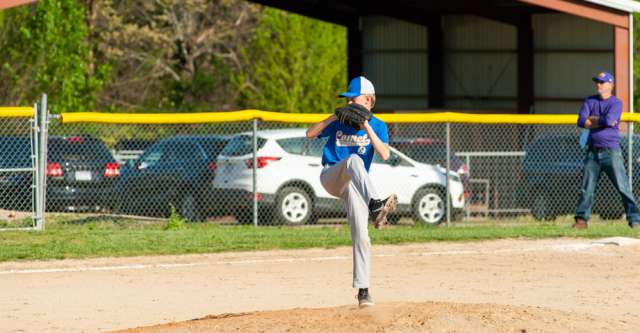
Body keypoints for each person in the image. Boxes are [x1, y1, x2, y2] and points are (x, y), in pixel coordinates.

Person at [306, 76, 398, 307]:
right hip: (332, 176)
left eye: (352, 99)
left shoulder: (378, 125)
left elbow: (385, 154)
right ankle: (376, 205)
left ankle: (363, 291)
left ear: (368, 100)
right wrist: (332, 118)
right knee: (354, 160)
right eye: (346, 100)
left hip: (355, 185)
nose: (348, 104)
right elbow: (309, 134)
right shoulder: (339, 120)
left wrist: (366, 125)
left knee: (362, 236)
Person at [574, 71, 640, 229]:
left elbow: (610, 121)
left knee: (623, 187)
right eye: (597, 81)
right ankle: (581, 220)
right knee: (587, 188)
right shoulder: (590, 101)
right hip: (592, 152)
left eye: (602, 82)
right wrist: (599, 121)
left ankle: (635, 219)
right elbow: (581, 121)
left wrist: (593, 120)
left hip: (611, 152)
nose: (599, 84)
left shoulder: (616, 103)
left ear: (611, 85)